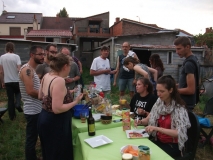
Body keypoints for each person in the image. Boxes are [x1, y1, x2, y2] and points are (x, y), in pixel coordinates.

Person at [37, 53, 83, 159]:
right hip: (55, 122)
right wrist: (75, 101)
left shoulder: (46, 76)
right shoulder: (59, 80)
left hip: (44, 117)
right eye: (70, 66)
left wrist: (68, 92)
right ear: (65, 66)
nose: (70, 69)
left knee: (49, 152)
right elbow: (57, 109)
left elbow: (41, 96)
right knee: (59, 153)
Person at [136, 75, 191, 159]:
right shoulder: (160, 102)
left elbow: (179, 133)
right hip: (158, 140)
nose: (158, 94)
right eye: (157, 90)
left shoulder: (179, 108)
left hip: (172, 145)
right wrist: (140, 122)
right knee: (138, 151)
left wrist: (156, 128)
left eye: (162, 91)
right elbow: (150, 118)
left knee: (147, 156)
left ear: (171, 90)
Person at [19, 45, 44, 160]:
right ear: (32, 55)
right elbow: (30, 91)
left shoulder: (32, 70)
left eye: (43, 54)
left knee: (34, 137)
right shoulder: (27, 69)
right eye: (40, 54)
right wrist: (45, 97)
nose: (42, 56)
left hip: (36, 109)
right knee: (31, 139)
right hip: (32, 111)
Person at [174, 36, 200, 111]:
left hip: (186, 104)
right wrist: (175, 85)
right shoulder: (194, 59)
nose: (177, 52)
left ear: (187, 47)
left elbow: (191, 90)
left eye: (179, 49)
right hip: (187, 103)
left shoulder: (189, 63)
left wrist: (173, 91)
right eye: (176, 49)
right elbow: (195, 82)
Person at [0, 42, 22, 120]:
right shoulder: (16, 57)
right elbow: (19, 69)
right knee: (19, 92)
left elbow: (1, 71)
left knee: (10, 99)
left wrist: (2, 82)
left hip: (7, 81)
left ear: (6, 48)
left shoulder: (2, 57)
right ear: (13, 48)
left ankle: (12, 117)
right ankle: (18, 104)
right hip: (16, 80)